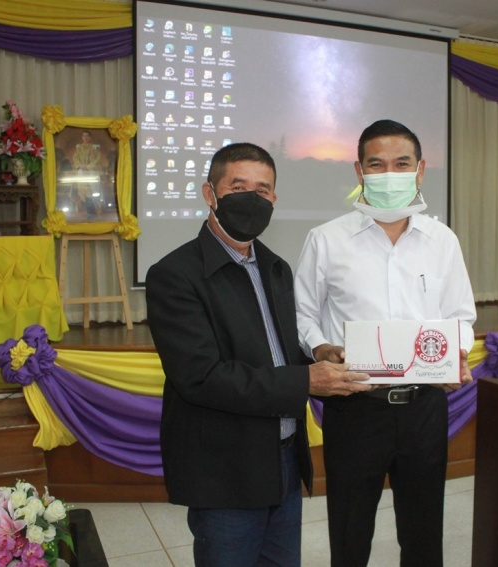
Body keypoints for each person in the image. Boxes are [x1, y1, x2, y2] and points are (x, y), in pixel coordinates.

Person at [146, 142, 370, 567]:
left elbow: (277, 355)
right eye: (238, 187)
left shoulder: (275, 267)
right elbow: (201, 377)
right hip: (225, 470)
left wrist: (321, 358)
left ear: (274, 199)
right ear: (210, 193)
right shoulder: (174, 275)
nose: (252, 198)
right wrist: (307, 380)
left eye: (262, 190)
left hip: (283, 460)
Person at [293, 119, 477, 566]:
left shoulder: (442, 241)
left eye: (402, 163)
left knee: (423, 534)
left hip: (424, 407)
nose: (390, 173)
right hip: (356, 407)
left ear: (420, 170)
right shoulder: (326, 240)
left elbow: (461, 316)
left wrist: (456, 353)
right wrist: (319, 348)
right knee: (350, 534)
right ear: (359, 171)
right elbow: (303, 314)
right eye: (377, 164)